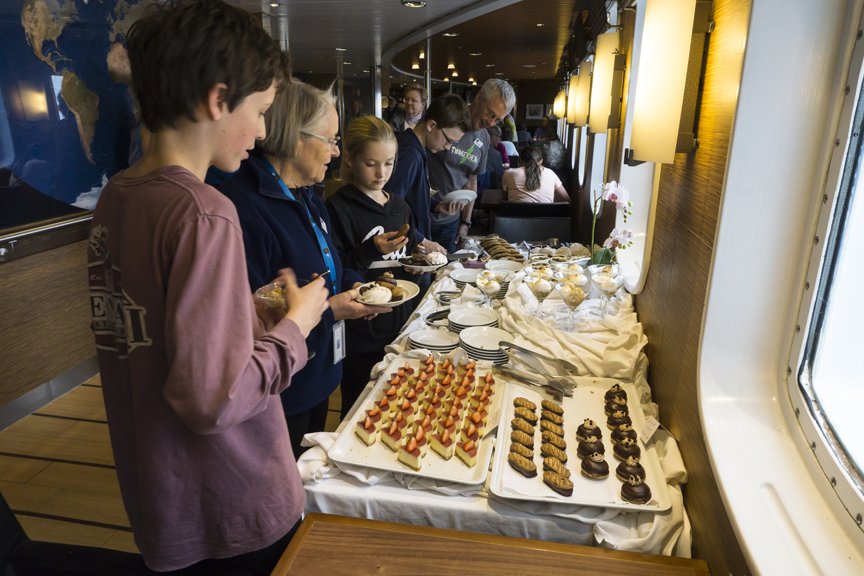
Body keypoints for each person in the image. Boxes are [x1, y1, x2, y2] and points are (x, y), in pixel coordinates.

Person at [85, 1, 329, 573]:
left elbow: (160, 331)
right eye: (261, 110)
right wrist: (296, 328)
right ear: (218, 100)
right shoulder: (205, 212)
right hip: (232, 500)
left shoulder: (117, 197)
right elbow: (213, 399)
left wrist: (249, 311)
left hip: (161, 493)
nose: (264, 132)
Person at [218, 80, 390, 459]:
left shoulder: (308, 194)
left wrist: (356, 287)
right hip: (279, 390)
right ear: (295, 138)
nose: (337, 151)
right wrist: (332, 310)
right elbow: (246, 317)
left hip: (318, 373)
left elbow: (329, 266)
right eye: (330, 140)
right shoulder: (244, 208)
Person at [325, 116, 416, 417]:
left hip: (399, 325)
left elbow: (407, 257)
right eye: (371, 164)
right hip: (360, 332)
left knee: (396, 404)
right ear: (350, 159)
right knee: (357, 408)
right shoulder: (338, 208)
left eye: (389, 164)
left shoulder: (400, 206)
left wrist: (415, 265)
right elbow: (336, 269)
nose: (381, 173)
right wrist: (370, 249)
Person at [427, 78, 516, 251]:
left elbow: (471, 183)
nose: (491, 123)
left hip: (450, 222)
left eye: (497, 120)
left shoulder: (484, 139)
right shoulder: (448, 117)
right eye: (490, 114)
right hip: (421, 216)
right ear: (479, 97)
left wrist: (465, 223)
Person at [388, 93, 471, 256]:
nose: (448, 147)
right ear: (432, 125)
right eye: (449, 140)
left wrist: (436, 205)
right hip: (406, 247)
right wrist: (422, 240)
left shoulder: (417, 148)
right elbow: (390, 209)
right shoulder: (409, 155)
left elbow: (410, 196)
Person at [501, 141, 569, 203]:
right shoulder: (551, 174)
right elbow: (566, 200)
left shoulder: (508, 173)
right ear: (541, 161)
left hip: (515, 213)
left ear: (519, 160)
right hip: (546, 212)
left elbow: (505, 198)